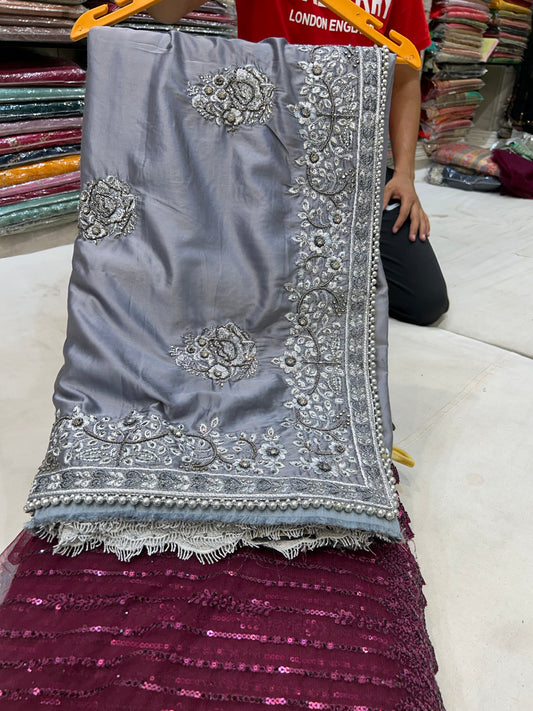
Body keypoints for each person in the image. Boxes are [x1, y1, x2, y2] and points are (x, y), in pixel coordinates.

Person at [0, 11, 445, 710]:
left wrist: (402, 174)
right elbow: (172, 12)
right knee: (193, 252)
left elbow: (405, 71)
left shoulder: (400, 10)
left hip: (347, 157)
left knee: (423, 294)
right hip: (265, 142)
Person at [149, 0, 450, 326]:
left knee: (424, 300)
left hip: (347, 165)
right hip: (258, 160)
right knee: (213, 290)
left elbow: (406, 78)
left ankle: (305, 253)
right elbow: (163, 12)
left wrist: (405, 174)